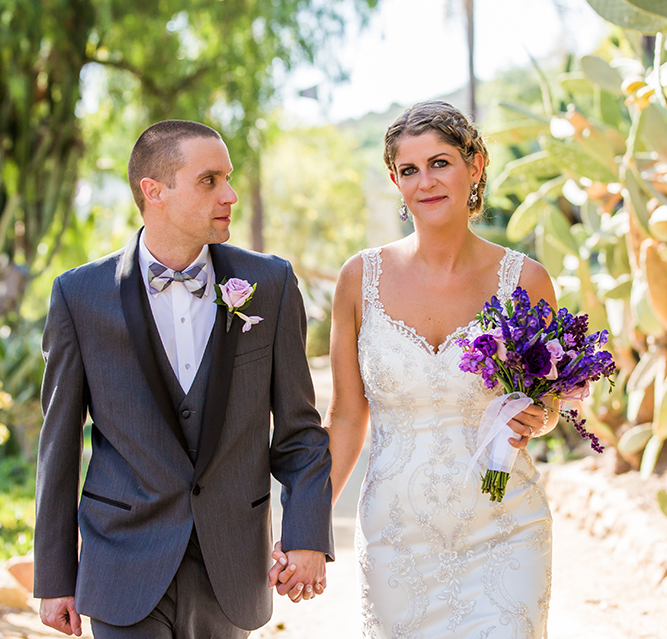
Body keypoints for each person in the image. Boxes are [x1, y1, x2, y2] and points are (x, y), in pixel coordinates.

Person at [34, 120, 333, 639]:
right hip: (122, 564)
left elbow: (299, 431)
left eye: (229, 178)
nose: (230, 194)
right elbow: (58, 445)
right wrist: (54, 577)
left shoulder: (271, 284)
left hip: (232, 566)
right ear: (155, 192)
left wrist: (306, 534)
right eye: (209, 180)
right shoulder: (79, 295)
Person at [271, 101, 559, 637]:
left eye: (440, 163)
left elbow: (548, 402)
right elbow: (348, 420)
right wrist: (303, 528)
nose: (425, 181)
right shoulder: (360, 280)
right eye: (410, 170)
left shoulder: (528, 281)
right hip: (395, 541)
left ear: (475, 165)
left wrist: (538, 418)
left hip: (505, 528)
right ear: (395, 181)